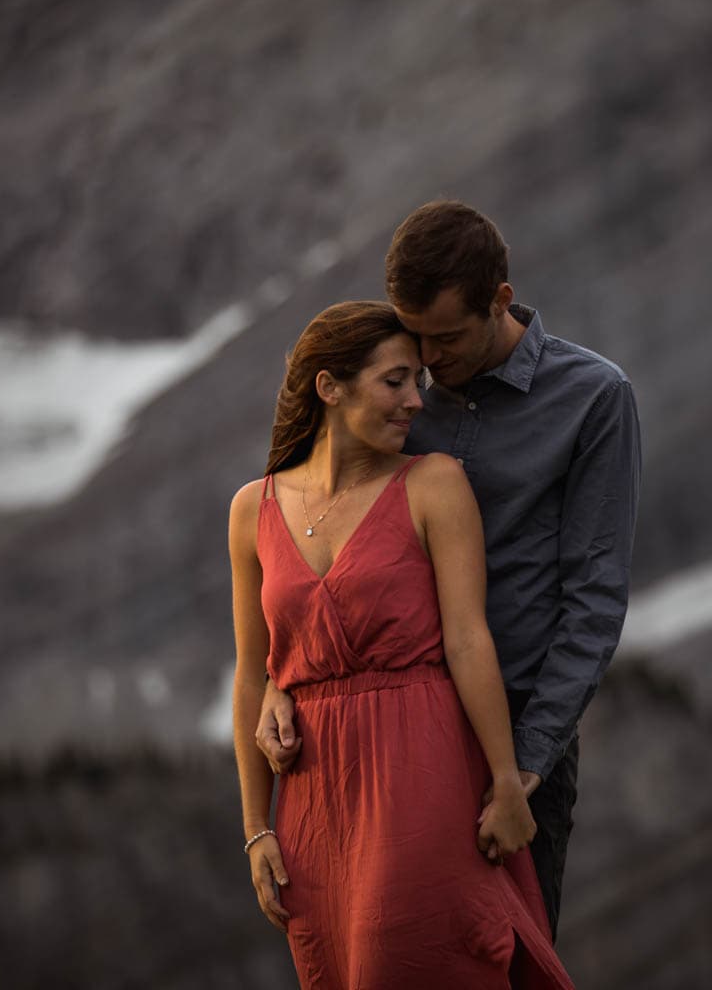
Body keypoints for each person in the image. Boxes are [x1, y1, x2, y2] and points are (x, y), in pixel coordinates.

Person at [258, 200, 642, 938]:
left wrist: (523, 768)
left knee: (506, 960)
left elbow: (594, 600)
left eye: (446, 338)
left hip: (519, 738)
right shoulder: (400, 400)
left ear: (500, 300)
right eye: (416, 340)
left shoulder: (594, 399)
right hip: (392, 745)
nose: (427, 363)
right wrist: (279, 682)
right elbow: (312, 540)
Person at [229, 300, 575, 988]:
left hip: (420, 771)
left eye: (419, 381)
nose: (417, 401)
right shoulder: (252, 509)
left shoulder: (433, 483)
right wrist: (256, 830)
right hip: (315, 806)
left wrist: (507, 783)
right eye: (395, 382)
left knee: (418, 958)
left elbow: (469, 641)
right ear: (330, 387)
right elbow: (252, 674)